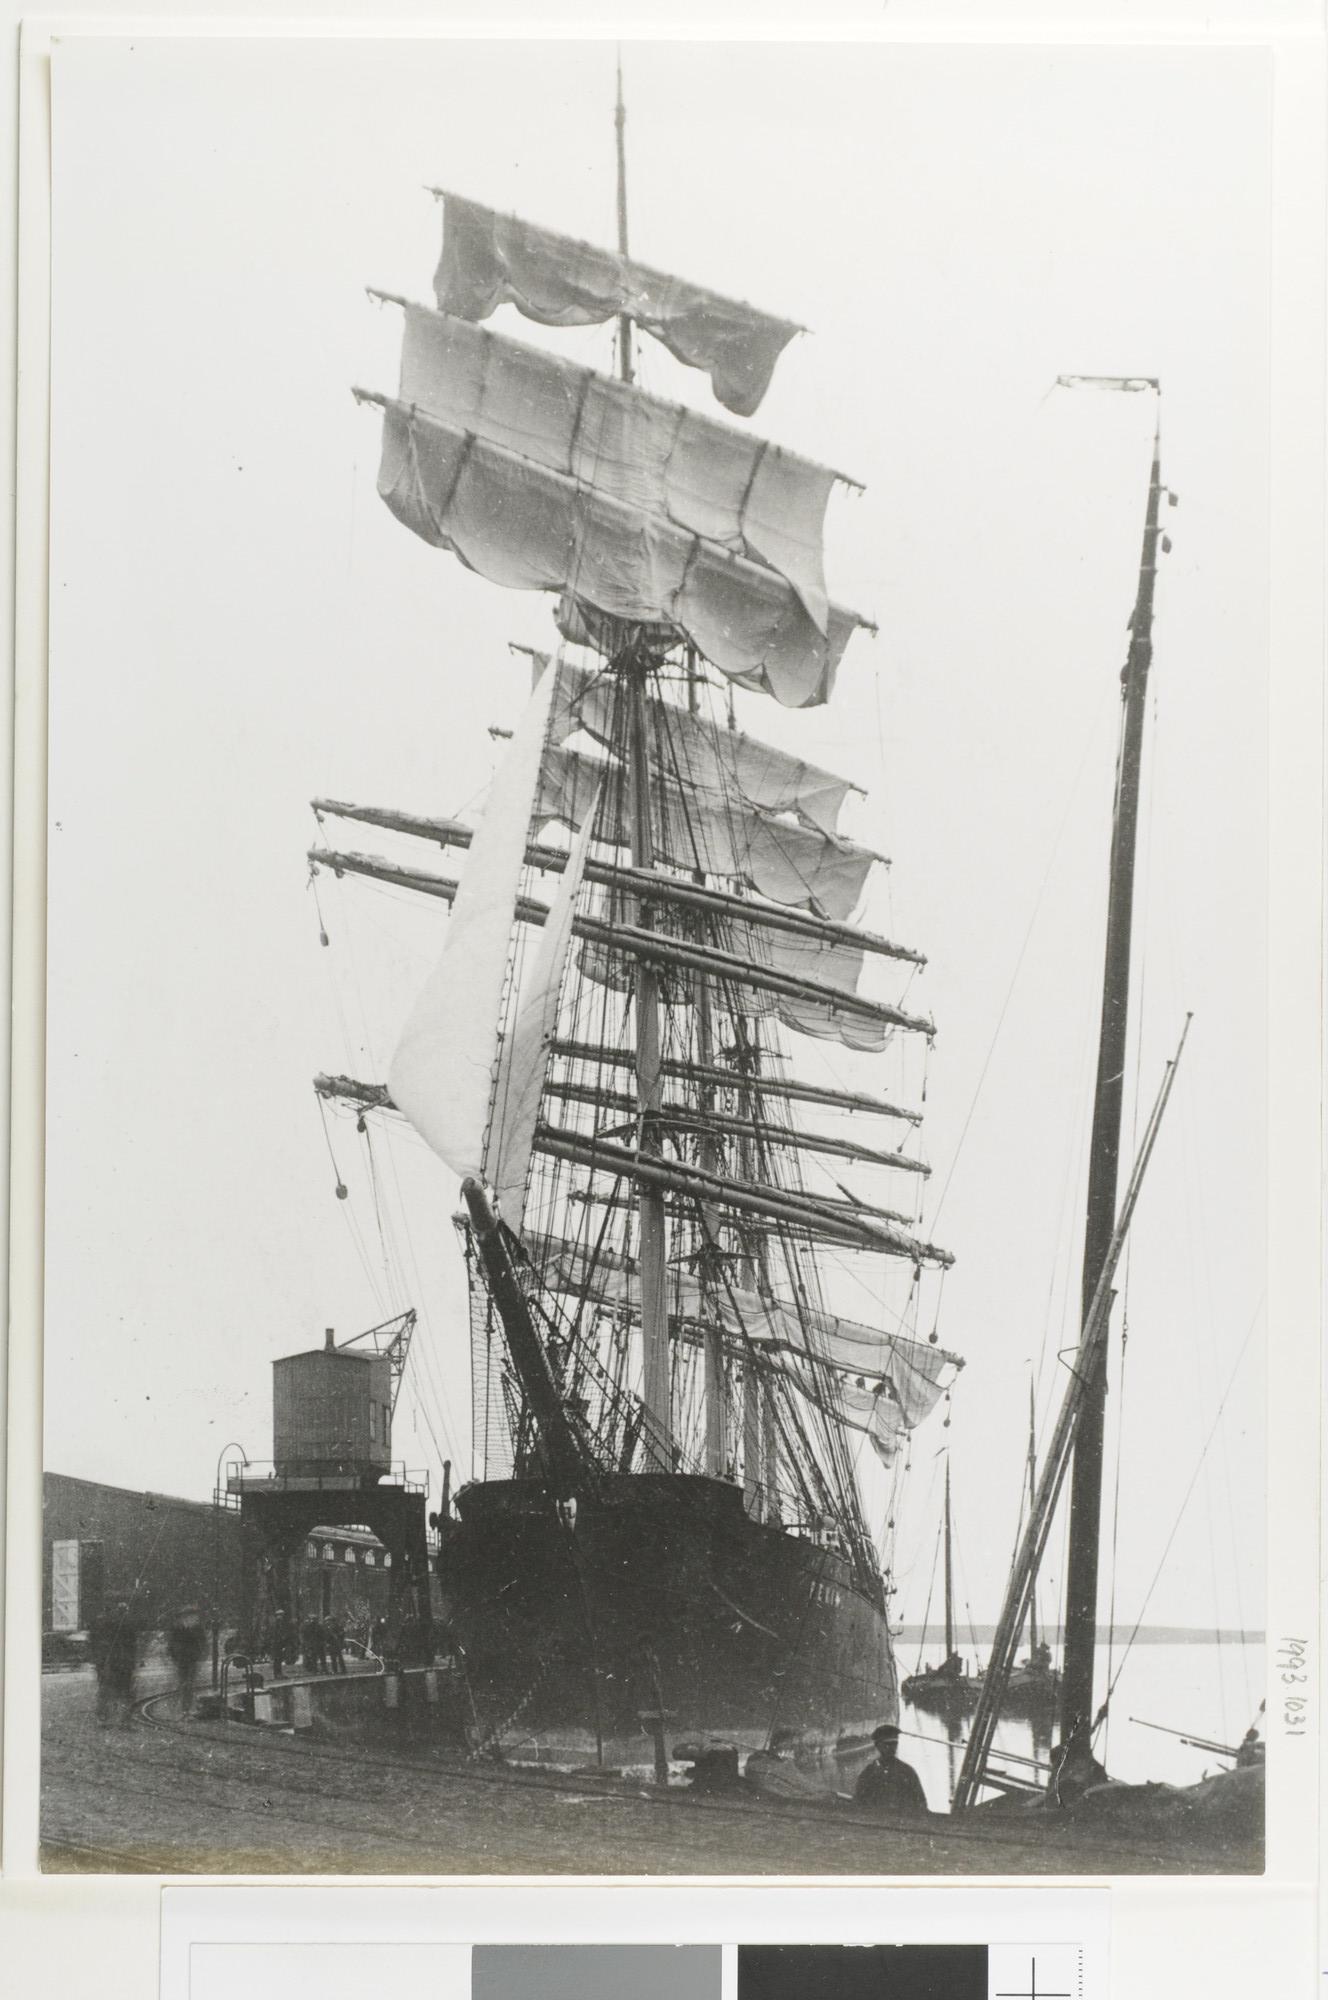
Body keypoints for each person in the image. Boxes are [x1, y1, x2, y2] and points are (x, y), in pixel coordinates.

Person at [853, 1723, 928, 1815]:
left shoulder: (908, 1772)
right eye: (887, 1744)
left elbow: (921, 1803)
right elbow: (859, 1804)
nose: (892, 1748)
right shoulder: (868, 1773)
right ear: (878, 1746)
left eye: (894, 1744)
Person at [90, 1600, 138, 1728]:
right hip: (119, 1661)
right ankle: (123, 1720)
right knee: (124, 1691)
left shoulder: (104, 1622)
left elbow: (95, 1642)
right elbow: (132, 1644)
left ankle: (105, 1718)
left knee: (107, 1690)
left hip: (111, 1661)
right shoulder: (126, 1623)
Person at [165, 1604, 207, 1716]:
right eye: (191, 1616)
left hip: (192, 1659)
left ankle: (186, 1708)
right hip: (181, 1659)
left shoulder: (197, 1628)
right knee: (184, 1683)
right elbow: (172, 1643)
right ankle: (184, 1708)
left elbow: (202, 1642)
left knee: (189, 1683)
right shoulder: (178, 1627)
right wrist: (173, 1655)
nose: (194, 1618)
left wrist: (201, 1655)